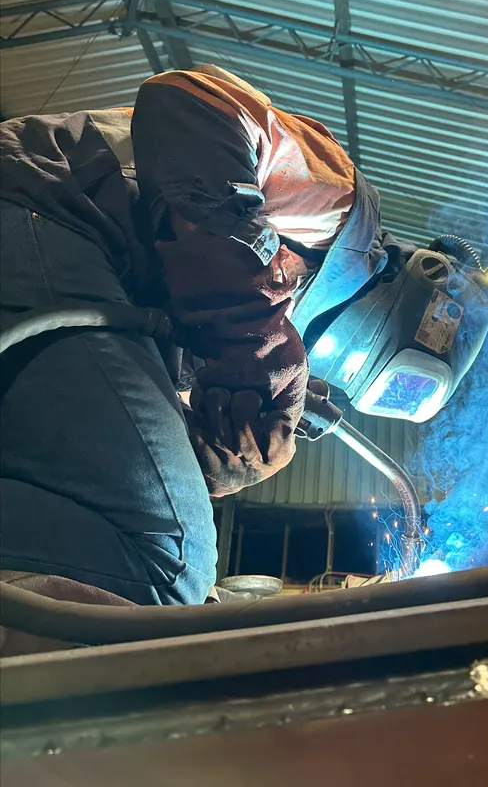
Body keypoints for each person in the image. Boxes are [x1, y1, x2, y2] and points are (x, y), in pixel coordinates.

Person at [0, 64, 402, 607]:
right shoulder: (344, 214)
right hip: (44, 202)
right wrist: (251, 337)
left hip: (60, 272)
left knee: (115, 525)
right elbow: (183, 99)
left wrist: (216, 456)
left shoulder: (219, 333)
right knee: (172, 557)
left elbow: (119, 458)